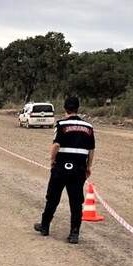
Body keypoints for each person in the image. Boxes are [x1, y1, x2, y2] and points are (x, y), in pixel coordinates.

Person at [34, 97, 95, 244]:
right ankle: (74, 233)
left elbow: (56, 145)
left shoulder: (61, 124)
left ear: (65, 108)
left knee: (53, 198)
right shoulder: (88, 127)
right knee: (76, 202)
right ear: (78, 108)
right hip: (79, 169)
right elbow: (91, 149)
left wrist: (52, 160)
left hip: (61, 167)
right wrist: (88, 167)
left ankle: (45, 226)